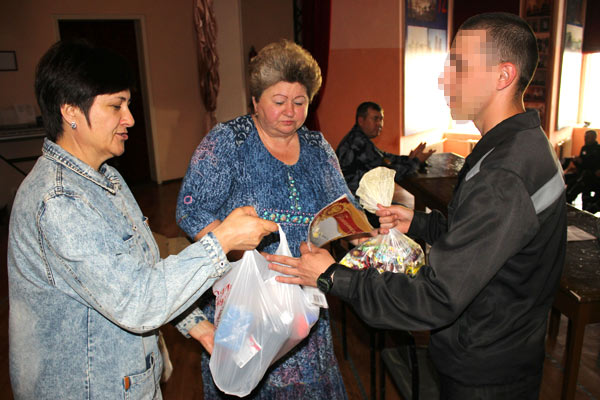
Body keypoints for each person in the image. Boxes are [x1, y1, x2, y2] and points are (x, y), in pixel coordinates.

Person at [268, 12, 566, 400]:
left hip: (485, 371)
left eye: (459, 66)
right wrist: (421, 223)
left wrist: (332, 276)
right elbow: (488, 243)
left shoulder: (504, 175)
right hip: (507, 346)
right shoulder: (526, 143)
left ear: (503, 75)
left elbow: (436, 297)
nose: (445, 80)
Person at [7, 40, 277, 400]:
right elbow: (137, 303)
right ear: (70, 110)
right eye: (116, 105)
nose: (130, 119)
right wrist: (223, 241)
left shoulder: (107, 178)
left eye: (128, 104)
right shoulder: (59, 202)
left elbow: (141, 271)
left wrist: (198, 326)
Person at [176, 40, 352, 398]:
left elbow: (342, 208)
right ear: (255, 101)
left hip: (303, 298)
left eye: (300, 102)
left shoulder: (317, 148)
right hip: (245, 296)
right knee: (243, 374)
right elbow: (191, 209)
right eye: (279, 101)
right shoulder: (228, 142)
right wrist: (244, 256)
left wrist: (365, 235)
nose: (291, 111)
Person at [336, 101, 435, 195]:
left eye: (381, 119)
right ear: (361, 121)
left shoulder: (358, 137)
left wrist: (408, 158)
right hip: (354, 201)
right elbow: (389, 173)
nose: (379, 124)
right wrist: (416, 161)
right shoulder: (358, 142)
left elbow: (383, 157)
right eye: (375, 119)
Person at [565, 129, 600, 212]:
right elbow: (581, 165)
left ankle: (587, 209)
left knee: (582, 184)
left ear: (594, 138)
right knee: (567, 179)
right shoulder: (584, 148)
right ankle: (566, 202)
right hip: (582, 174)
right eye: (585, 137)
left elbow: (594, 165)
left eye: (588, 137)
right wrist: (576, 161)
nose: (585, 139)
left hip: (592, 176)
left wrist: (583, 162)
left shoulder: (598, 149)